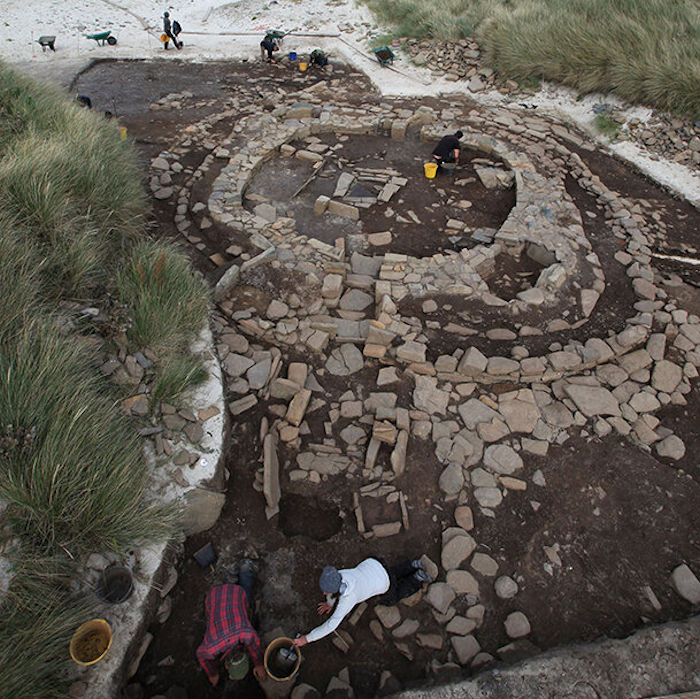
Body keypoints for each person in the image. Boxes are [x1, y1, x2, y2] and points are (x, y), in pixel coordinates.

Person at [292, 557, 431, 647]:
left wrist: (307, 639)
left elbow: (330, 625)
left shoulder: (348, 599)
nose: (324, 593)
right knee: (392, 572)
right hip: (375, 564)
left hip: (384, 583)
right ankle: (413, 564)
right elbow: (334, 591)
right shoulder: (340, 575)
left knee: (393, 596)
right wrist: (329, 603)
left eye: (326, 592)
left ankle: (417, 578)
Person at [196, 560, 267, 686]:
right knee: (244, 602)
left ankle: (244, 569)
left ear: (226, 666)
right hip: (213, 596)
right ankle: (237, 573)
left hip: (232, 594)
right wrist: (213, 674)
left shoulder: (245, 634)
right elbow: (201, 656)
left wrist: (259, 664)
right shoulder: (210, 647)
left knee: (247, 598)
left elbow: (254, 645)